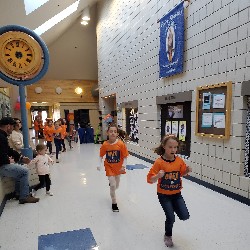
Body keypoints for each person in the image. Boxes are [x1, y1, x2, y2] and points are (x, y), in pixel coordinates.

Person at [147, 135, 192, 247]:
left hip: (177, 194)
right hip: (164, 195)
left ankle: (174, 208)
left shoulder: (179, 161)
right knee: (170, 217)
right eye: (170, 147)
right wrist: (158, 176)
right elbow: (150, 179)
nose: (173, 150)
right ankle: (168, 235)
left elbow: (180, 174)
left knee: (185, 216)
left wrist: (186, 171)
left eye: (175, 147)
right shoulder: (159, 162)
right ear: (164, 147)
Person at [0, 117, 39, 204]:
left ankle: (19, 193)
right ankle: (24, 197)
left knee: (19, 170)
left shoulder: (2, 136)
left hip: (3, 163)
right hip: (2, 166)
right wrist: (8, 160)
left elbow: (9, 150)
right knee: (24, 171)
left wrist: (21, 157)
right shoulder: (1, 137)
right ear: (8, 126)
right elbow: (2, 155)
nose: (14, 128)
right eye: (13, 126)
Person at [97, 123, 129, 212]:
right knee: (113, 185)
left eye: (115, 131)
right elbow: (100, 156)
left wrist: (123, 166)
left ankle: (112, 186)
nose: (113, 133)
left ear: (117, 134)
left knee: (117, 185)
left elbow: (125, 156)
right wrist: (98, 164)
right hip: (109, 167)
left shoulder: (121, 144)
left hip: (118, 168)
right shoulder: (105, 145)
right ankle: (114, 203)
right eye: (111, 131)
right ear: (107, 133)